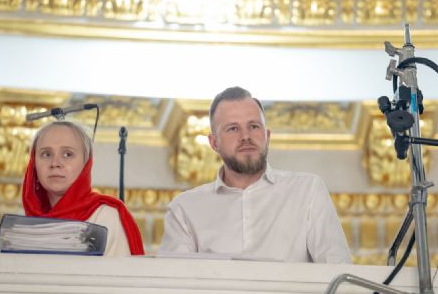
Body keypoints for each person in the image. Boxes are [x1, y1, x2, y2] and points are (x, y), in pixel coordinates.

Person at [159, 87, 351, 263]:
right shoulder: (184, 209)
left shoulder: (308, 191)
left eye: (254, 126)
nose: (245, 136)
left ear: (267, 136)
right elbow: (175, 282)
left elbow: (337, 271)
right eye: (233, 128)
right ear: (214, 143)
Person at [22, 121, 144, 256]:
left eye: (68, 154)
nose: (55, 163)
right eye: (46, 154)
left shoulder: (105, 217)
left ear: (86, 163)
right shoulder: (20, 227)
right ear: (33, 163)